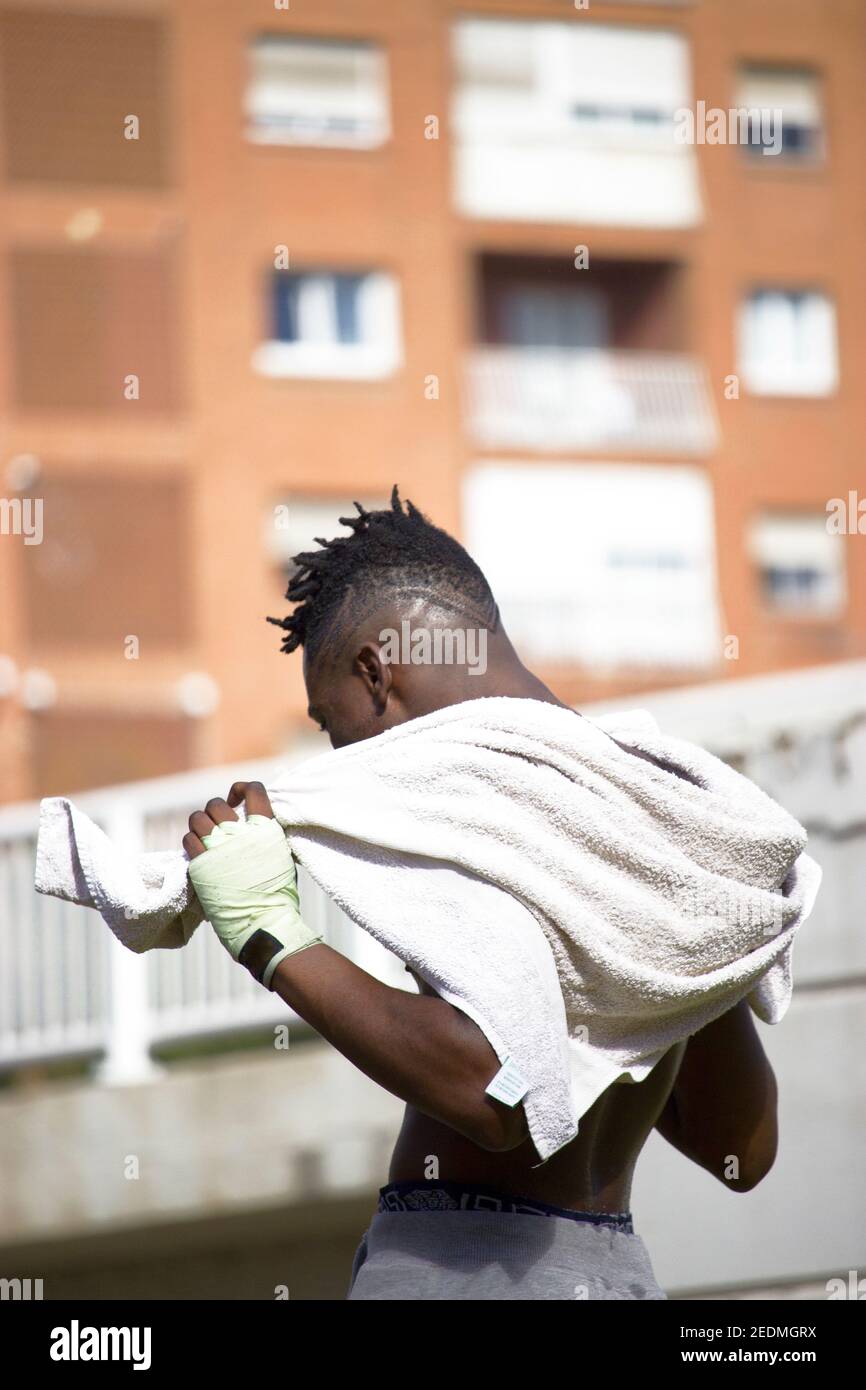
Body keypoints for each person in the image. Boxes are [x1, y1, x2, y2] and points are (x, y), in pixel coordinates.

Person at [182, 487, 778, 1301]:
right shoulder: (645, 802)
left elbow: (496, 1093)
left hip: (461, 1271)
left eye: (331, 724)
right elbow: (738, 1142)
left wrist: (269, 936)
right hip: (614, 1276)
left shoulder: (481, 797)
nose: (338, 753)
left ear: (375, 672)